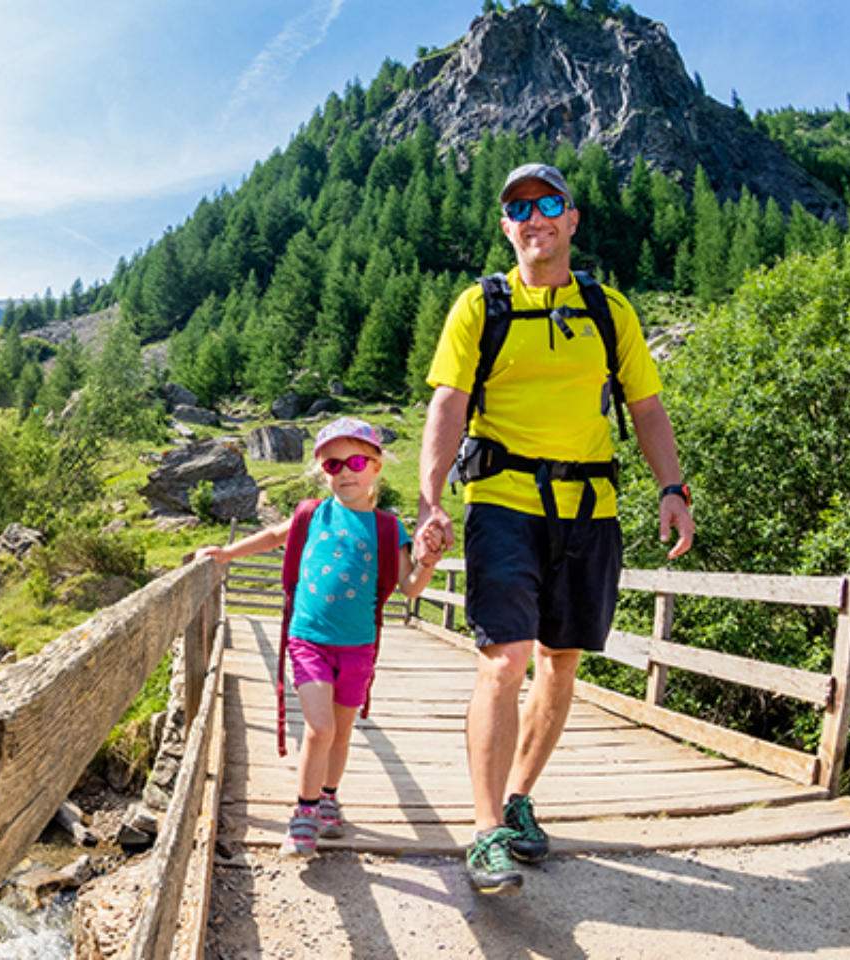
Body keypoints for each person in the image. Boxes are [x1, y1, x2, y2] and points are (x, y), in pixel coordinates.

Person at [412, 163, 695, 894]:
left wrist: (672, 487)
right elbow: (448, 404)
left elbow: (647, 409)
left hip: (590, 509)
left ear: (572, 219)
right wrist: (430, 498)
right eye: (518, 208)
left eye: (548, 204)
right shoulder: (480, 307)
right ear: (507, 228)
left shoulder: (611, 311)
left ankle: (517, 802)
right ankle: (483, 835)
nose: (533, 216)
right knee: (503, 661)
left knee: (560, 663)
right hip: (505, 502)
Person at [197, 418, 436, 856]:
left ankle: (329, 796)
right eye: (332, 465)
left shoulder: (389, 528)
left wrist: (430, 561)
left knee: (341, 734)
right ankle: (303, 814)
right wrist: (227, 553)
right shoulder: (313, 513)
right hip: (308, 639)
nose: (345, 471)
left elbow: (410, 587)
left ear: (377, 466)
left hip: (360, 644)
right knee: (319, 728)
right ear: (323, 472)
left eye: (356, 461)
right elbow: (273, 537)